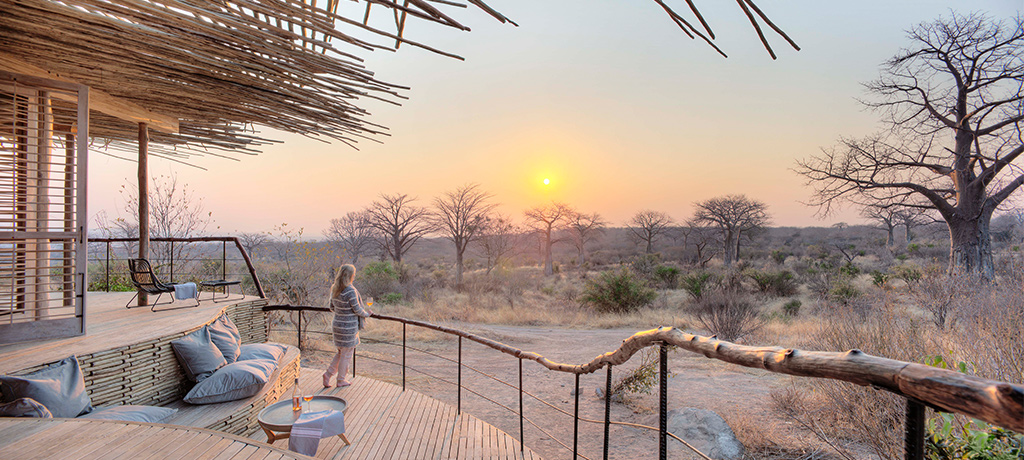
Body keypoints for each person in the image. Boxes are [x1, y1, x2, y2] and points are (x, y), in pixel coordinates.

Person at [323, 264, 372, 387]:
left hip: (337, 325)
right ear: (350, 275)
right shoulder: (350, 290)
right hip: (348, 328)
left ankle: (328, 374)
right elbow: (357, 309)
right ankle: (341, 380)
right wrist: (367, 314)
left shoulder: (335, 288)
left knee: (341, 352)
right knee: (346, 354)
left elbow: (331, 307)